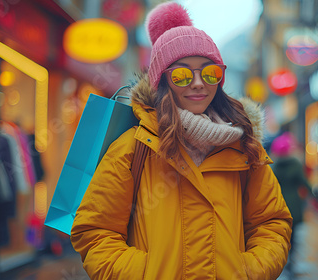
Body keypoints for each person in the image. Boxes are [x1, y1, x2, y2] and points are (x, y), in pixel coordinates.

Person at [71, 2, 292, 279]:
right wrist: (146, 273)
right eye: (182, 74)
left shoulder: (245, 148)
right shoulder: (133, 147)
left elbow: (271, 222)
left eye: (210, 72)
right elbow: (94, 231)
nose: (198, 83)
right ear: (162, 81)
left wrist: (248, 271)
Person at [270, 132, 316, 276]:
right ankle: (291, 259)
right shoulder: (296, 164)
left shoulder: (273, 166)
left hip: (279, 205)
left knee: (282, 234)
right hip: (294, 206)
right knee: (294, 235)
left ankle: (284, 258)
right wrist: (314, 195)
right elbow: (304, 183)